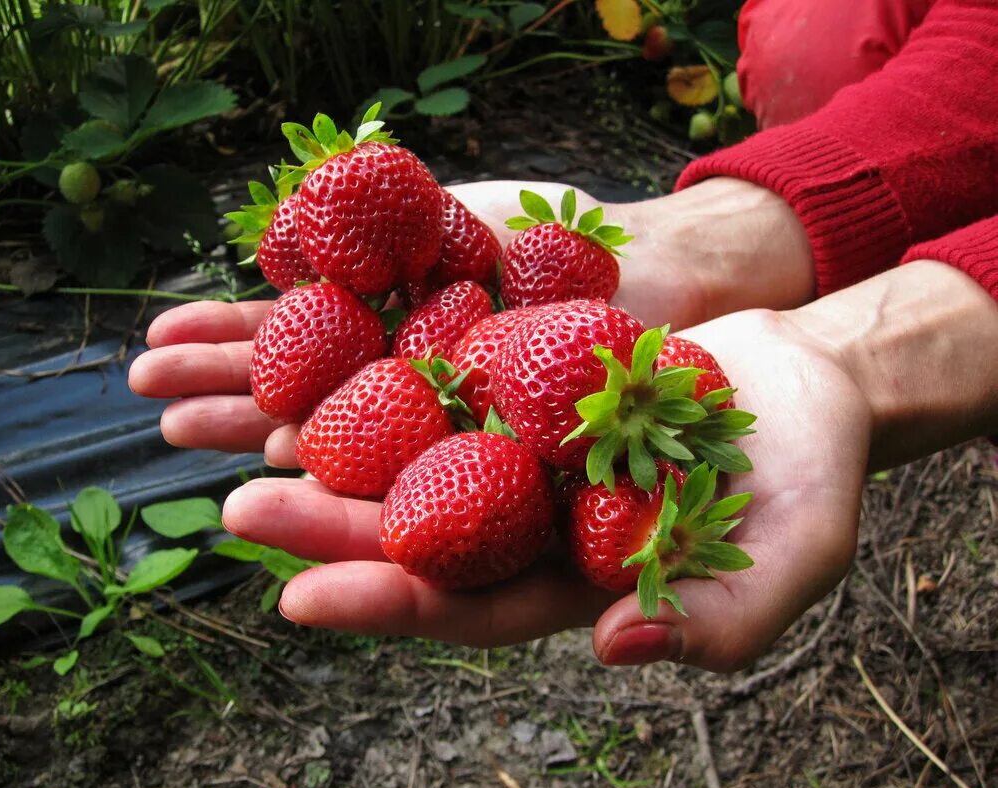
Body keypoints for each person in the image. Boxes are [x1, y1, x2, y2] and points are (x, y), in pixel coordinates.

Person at [129, 0, 998, 672]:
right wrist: (716, 233)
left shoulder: (577, 408)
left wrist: (858, 357)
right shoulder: (501, 338)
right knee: (813, 37)